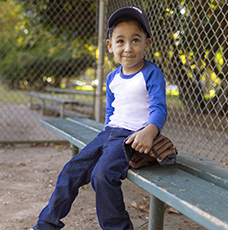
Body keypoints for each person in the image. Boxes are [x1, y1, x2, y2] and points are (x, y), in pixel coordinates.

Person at [32, 6, 167, 230]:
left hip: (132, 137)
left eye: (135, 40)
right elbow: (110, 111)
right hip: (108, 134)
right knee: (71, 171)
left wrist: (150, 131)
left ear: (147, 43)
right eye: (120, 41)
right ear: (110, 46)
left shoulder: (151, 73)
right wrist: (105, 137)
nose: (128, 48)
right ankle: (46, 224)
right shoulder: (112, 77)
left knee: (102, 175)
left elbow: (159, 108)